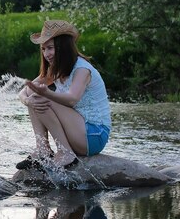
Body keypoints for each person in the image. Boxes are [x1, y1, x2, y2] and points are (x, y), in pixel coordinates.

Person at [17, 20, 111, 170]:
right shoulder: (56, 69)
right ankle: (42, 149)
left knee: (40, 97)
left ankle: (65, 153)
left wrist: (47, 93)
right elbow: (25, 90)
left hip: (93, 135)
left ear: (64, 47)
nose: (46, 54)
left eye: (50, 48)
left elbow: (73, 99)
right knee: (32, 94)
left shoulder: (82, 69)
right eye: (43, 49)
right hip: (76, 131)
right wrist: (27, 101)